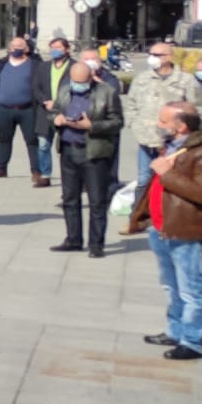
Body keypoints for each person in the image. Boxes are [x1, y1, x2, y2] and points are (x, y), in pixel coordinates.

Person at [123, 101, 202, 361]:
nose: (159, 126)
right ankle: (175, 330)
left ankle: (192, 341)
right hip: (161, 227)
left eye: (163, 121)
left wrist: (167, 174)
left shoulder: (200, 152)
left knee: (191, 288)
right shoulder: (170, 147)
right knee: (171, 286)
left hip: (185, 230)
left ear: (180, 126)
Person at [49, 61, 124, 257]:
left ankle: (96, 244)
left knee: (97, 201)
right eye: (75, 81)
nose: (77, 85)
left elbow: (117, 122)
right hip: (68, 150)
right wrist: (56, 119)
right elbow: (55, 111)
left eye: (81, 82)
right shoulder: (65, 90)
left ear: (91, 78)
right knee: (70, 199)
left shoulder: (106, 92)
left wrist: (91, 125)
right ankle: (73, 239)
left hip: (94, 153)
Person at [126, 43, 202, 186]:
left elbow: (198, 110)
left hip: (174, 143)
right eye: (150, 54)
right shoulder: (142, 79)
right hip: (146, 140)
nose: (151, 58)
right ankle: (142, 208)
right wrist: (135, 125)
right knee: (144, 180)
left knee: (173, 180)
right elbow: (131, 105)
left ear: (169, 57)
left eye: (156, 55)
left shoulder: (185, 80)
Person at [0, 37, 49, 187]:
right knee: (4, 140)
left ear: (27, 48)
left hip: (27, 109)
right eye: (13, 46)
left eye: (20, 46)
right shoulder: (1, 63)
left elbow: (41, 84)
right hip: (4, 109)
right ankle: (1, 168)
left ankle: (36, 171)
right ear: (9, 48)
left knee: (32, 142)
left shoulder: (34, 64)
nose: (16, 48)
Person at [31, 38, 74, 186]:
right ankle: (45, 174)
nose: (54, 50)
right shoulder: (43, 66)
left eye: (58, 47)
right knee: (43, 144)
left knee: (67, 146)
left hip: (67, 111)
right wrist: (45, 101)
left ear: (67, 49)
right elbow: (36, 87)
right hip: (46, 110)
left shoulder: (74, 66)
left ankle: (70, 177)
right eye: (52, 47)